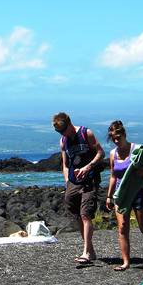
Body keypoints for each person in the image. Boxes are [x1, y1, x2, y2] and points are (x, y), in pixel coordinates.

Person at [104, 120, 143, 271]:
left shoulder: (137, 150)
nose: (116, 141)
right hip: (121, 194)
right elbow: (113, 175)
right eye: (113, 139)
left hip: (138, 193)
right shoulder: (113, 154)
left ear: (124, 135)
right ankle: (126, 262)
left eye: (118, 138)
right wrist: (109, 196)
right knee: (122, 227)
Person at [53, 112, 105, 265]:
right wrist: (67, 181)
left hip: (90, 179)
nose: (63, 134)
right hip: (73, 182)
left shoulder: (85, 133)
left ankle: (86, 252)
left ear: (69, 124)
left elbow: (101, 153)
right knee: (77, 215)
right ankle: (90, 250)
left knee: (85, 214)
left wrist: (88, 167)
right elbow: (65, 164)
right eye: (59, 132)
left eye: (63, 130)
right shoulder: (63, 141)